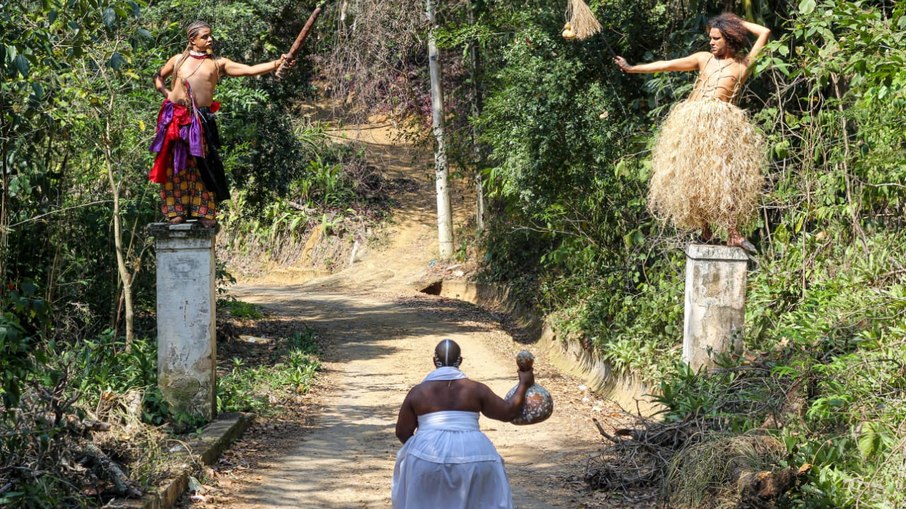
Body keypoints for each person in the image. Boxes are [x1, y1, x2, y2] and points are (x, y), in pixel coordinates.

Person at [614, 13, 771, 253]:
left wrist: (734, 23)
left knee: (725, 178)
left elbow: (764, 32)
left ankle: (733, 233)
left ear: (729, 39)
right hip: (693, 124)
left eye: (716, 38)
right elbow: (667, 65)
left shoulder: (743, 65)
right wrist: (633, 68)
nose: (711, 42)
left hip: (721, 127)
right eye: (711, 38)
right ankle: (705, 231)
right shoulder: (703, 59)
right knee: (696, 178)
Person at [149, 21, 295, 228]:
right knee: (175, 165)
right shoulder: (178, 60)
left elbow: (250, 70)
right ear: (192, 40)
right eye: (205, 36)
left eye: (210, 35)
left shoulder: (218, 63)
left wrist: (276, 63)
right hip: (175, 119)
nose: (210, 39)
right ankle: (176, 211)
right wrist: (167, 94)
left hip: (200, 121)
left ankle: (204, 212)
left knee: (203, 165)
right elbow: (158, 77)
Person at [392, 339, 534, 509]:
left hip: (426, 456)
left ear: (434, 361)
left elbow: (402, 431)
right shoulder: (476, 389)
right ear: (459, 361)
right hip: (475, 454)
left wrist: (420, 449)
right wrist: (524, 384)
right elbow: (508, 412)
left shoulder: (418, 392)